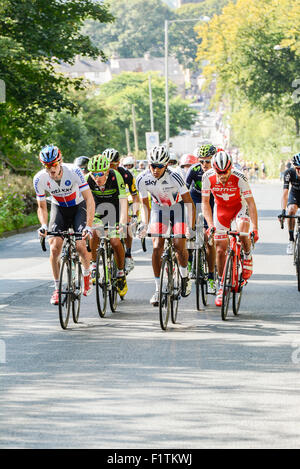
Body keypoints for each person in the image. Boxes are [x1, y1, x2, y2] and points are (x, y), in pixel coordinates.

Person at [33, 144, 95, 305]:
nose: (51, 169)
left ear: (60, 161)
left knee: (81, 246)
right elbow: (41, 206)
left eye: (53, 164)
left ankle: (87, 276)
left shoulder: (74, 171)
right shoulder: (39, 178)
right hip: (58, 208)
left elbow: (89, 199)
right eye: (47, 166)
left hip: (78, 207)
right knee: (54, 247)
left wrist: (88, 225)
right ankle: (57, 288)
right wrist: (44, 226)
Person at [136, 145, 196, 306]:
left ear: (166, 165)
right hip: (158, 209)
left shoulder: (176, 176)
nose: (155, 170)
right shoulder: (142, 178)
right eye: (152, 166)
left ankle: (184, 277)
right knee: (157, 247)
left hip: (178, 208)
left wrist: (191, 226)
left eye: (159, 166)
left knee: (178, 244)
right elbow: (145, 205)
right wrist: (144, 224)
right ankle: (157, 289)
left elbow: (189, 202)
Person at [202, 151, 259, 307]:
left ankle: (247, 256)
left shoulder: (240, 177)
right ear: (214, 169)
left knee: (242, 233)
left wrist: (255, 228)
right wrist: (210, 224)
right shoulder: (207, 177)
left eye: (225, 171)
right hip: (221, 210)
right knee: (220, 249)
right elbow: (205, 203)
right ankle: (221, 286)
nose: (222, 175)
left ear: (231, 167)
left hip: (240, 207)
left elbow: (251, 203)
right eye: (219, 172)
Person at [86, 153, 129, 298]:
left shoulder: (116, 176)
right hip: (98, 212)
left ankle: (121, 273)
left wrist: (122, 223)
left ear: (107, 171)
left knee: (115, 241)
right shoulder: (88, 180)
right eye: (93, 174)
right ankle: (93, 265)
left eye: (100, 174)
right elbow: (84, 203)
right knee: (94, 232)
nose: (96, 178)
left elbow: (124, 201)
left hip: (115, 212)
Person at [185, 144, 217, 293]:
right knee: (188, 232)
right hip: (195, 197)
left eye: (208, 161)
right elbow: (183, 190)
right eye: (201, 161)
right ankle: (190, 261)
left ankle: (211, 277)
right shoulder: (194, 170)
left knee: (209, 238)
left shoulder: (218, 171)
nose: (204, 165)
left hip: (211, 200)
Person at [103, 147, 140, 273]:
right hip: (105, 204)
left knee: (128, 224)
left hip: (123, 203)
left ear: (118, 164)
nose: (108, 168)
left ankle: (128, 255)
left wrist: (135, 214)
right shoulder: (100, 175)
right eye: (106, 165)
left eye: (111, 165)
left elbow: (135, 196)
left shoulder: (126, 174)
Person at [280, 152, 300, 255]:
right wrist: (283, 211)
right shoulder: (289, 173)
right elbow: (285, 193)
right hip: (295, 194)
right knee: (291, 210)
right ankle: (291, 240)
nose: (299, 172)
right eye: (298, 169)